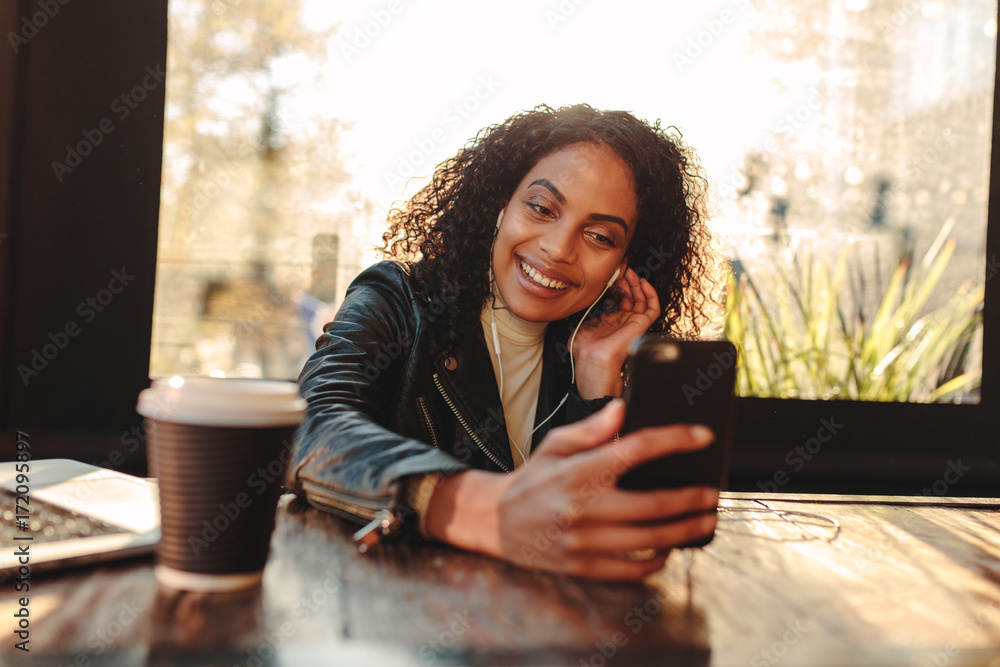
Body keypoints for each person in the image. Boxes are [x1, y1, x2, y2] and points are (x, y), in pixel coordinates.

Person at [287, 104, 724, 581]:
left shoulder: (587, 350)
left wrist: (596, 376)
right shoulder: (399, 299)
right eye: (541, 209)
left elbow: (586, 529)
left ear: (625, 265)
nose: (558, 248)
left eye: (599, 236)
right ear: (501, 204)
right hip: (393, 610)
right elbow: (311, 428)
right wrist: (475, 508)